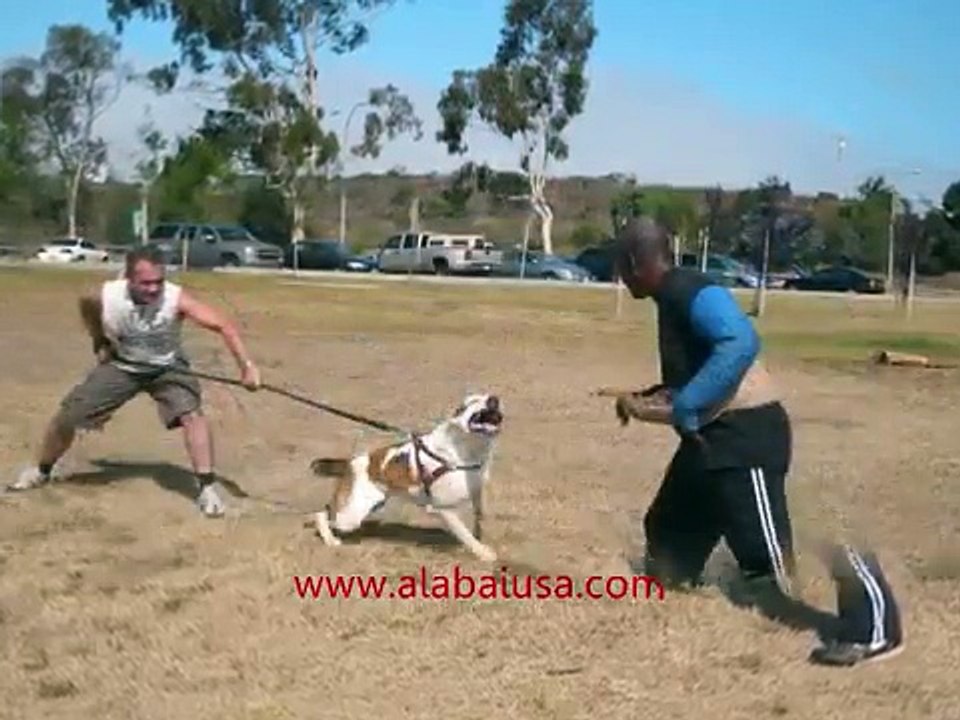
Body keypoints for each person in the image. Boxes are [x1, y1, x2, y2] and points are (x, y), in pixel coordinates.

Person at [611, 215, 904, 666]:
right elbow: (700, 369)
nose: (618, 275)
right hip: (708, 442)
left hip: (743, 437)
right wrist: (655, 397)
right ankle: (678, 578)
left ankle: (875, 628)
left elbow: (739, 341)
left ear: (634, 261)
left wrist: (687, 404)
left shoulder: (686, 289)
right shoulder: (670, 297)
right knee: (667, 530)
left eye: (620, 264)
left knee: (782, 550)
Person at [7, 246, 262, 518]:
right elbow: (88, 306)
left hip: (167, 367)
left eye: (158, 282)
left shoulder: (176, 299)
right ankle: (42, 471)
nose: (154, 290)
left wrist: (247, 367)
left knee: (192, 415)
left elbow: (224, 325)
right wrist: (100, 340)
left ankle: (207, 488)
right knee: (69, 416)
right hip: (123, 367)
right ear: (128, 278)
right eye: (146, 283)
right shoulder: (106, 296)